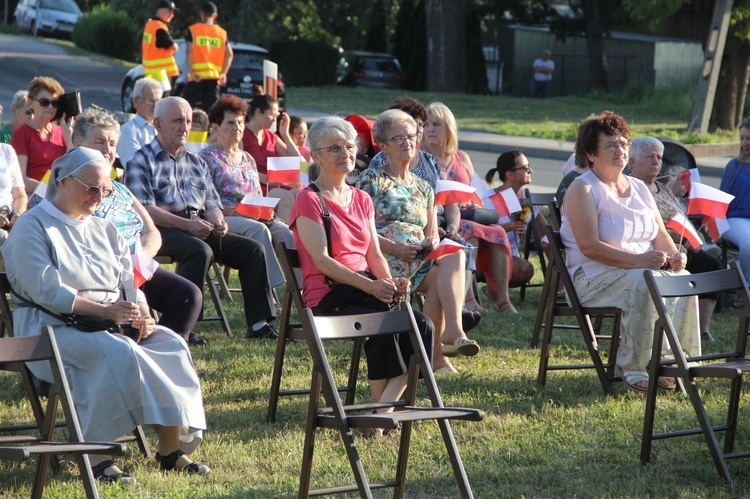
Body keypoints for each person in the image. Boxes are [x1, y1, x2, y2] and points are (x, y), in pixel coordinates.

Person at [3, 147, 210, 485]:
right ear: (63, 181)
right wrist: (106, 312)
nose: (99, 197)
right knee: (118, 351)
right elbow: (47, 291)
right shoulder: (32, 226)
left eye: (105, 190)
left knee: (170, 343)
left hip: (107, 322)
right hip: (50, 330)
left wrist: (141, 312)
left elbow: (128, 280)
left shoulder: (104, 228)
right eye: (91, 188)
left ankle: (170, 451)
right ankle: (98, 455)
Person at [290, 116, 434, 423]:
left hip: (365, 291)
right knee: (386, 315)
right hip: (328, 297)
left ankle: (380, 411)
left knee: (421, 325)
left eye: (349, 146)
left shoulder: (361, 198)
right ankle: (380, 415)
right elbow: (321, 261)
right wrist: (372, 287)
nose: (345, 154)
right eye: (334, 148)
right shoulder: (309, 199)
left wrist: (390, 282)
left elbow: (374, 254)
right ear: (315, 155)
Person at [560, 111, 699, 393]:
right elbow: (590, 247)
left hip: (641, 271)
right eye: (611, 145)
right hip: (593, 277)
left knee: (684, 278)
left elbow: (660, 234)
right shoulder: (583, 189)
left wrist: (674, 255)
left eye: (623, 144)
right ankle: (633, 365)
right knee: (645, 280)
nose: (620, 150)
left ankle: (673, 361)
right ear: (590, 153)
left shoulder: (638, 186)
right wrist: (639, 261)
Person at [124, 96, 278, 340]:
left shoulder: (196, 162)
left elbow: (212, 203)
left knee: (254, 250)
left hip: (198, 225)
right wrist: (187, 225)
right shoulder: (141, 160)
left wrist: (218, 221)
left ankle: (259, 325)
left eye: (187, 120)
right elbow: (144, 209)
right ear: (158, 124)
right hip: (161, 229)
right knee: (199, 250)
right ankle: (183, 326)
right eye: (176, 121)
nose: (184, 127)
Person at [359, 109, 479, 375]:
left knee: (454, 255)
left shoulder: (424, 187)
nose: (407, 143)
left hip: (416, 261)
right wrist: (394, 247)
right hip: (382, 261)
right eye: (398, 138)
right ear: (383, 145)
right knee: (439, 279)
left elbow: (432, 231)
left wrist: (429, 243)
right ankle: (437, 356)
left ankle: (452, 331)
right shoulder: (372, 179)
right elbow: (360, 229)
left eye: (411, 136)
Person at [73, 107, 205, 347]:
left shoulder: (121, 189)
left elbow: (151, 231)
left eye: (112, 143)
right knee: (130, 310)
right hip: (98, 273)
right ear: (77, 143)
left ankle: (161, 349)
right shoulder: (63, 183)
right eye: (99, 142)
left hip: (136, 267)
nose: (108, 150)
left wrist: (139, 257)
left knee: (188, 296)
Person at [421, 102, 519, 313]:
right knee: (469, 232)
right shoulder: (421, 158)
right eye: (427, 125)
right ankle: (468, 299)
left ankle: (503, 299)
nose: (430, 130)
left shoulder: (461, 158)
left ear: (449, 128)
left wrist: (474, 201)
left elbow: (478, 191)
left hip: (469, 212)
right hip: (442, 217)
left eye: (436, 124)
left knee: (499, 232)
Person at [629, 136, 721, 343]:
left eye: (659, 157)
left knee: (711, 265)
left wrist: (689, 238)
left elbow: (681, 217)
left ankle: (702, 328)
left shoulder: (664, 189)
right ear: (632, 161)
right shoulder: (630, 188)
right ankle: (668, 327)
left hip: (679, 249)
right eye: (649, 156)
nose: (656, 161)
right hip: (653, 251)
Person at [199, 94, 291, 290]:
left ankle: (300, 291)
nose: (237, 127)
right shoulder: (206, 157)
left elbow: (257, 195)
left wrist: (265, 210)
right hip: (224, 217)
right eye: (230, 123)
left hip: (254, 216)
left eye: (240, 122)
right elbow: (204, 203)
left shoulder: (247, 158)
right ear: (216, 127)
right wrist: (242, 211)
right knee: (258, 229)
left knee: (285, 232)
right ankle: (270, 288)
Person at [241, 94, 301, 222]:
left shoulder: (271, 136)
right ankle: (284, 238)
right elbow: (236, 166)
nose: (275, 119)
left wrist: (285, 135)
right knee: (285, 196)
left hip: (273, 184)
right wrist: (259, 176)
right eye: (272, 115)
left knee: (300, 194)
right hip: (254, 187)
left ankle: (298, 237)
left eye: (276, 116)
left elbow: (297, 163)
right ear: (258, 112)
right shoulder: (242, 135)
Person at [484, 150, 538, 287]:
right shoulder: (489, 199)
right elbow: (480, 233)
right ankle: (493, 289)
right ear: (510, 174)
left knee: (526, 268)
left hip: (511, 257)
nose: (530, 170)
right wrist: (507, 227)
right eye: (525, 168)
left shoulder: (525, 198)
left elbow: (543, 229)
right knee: (524, 268)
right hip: (488, 257)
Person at [11, 76, 72, 193]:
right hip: (35, 196)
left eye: (55, 103)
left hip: (62, 196)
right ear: (30, 103)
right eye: (44, 102)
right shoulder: (21, 134)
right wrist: (53, 192)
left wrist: (68, 136)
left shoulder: (63, 131)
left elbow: (72, 168)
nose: (50, 107)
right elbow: (21, 180)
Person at [183, 1, 234, 112]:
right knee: (211, 109)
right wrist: (223, 73)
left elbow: (188, 52)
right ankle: (210, 129)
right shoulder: (221, 33)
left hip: (197, 76)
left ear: (201, 13)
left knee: (186, 106)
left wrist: (191, 72)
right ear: (215, 15)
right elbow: (229, 54)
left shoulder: (193, 30)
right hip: (214, 77)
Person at [720, 118, 750, 282]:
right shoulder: (734, 165)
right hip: (735, 218)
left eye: (749, 139)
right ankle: (746, 288)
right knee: (749, 244)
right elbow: (721, 199)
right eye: (742, 138)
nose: (744, 143)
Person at [118, 77, 163, 167]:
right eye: (151, 101)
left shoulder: (163, 127)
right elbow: (136, 162)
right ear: (136, 101)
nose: (156, 105)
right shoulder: (128, 129)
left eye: (158, 101)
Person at [0, 144, 27, 269]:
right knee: (3, 239)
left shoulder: (6, 151)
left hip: (9, 218)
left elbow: (20, 195)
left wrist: (17, 214)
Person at [141, 0, 180, 86]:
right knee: (163, 98)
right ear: (161, 10)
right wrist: (176, 46)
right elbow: (174, 47)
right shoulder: (160, 28)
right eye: (170, 11)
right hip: (161, 73)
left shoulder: (149, 25)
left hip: (150, 72)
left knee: (152, 97)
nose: (172, 15)